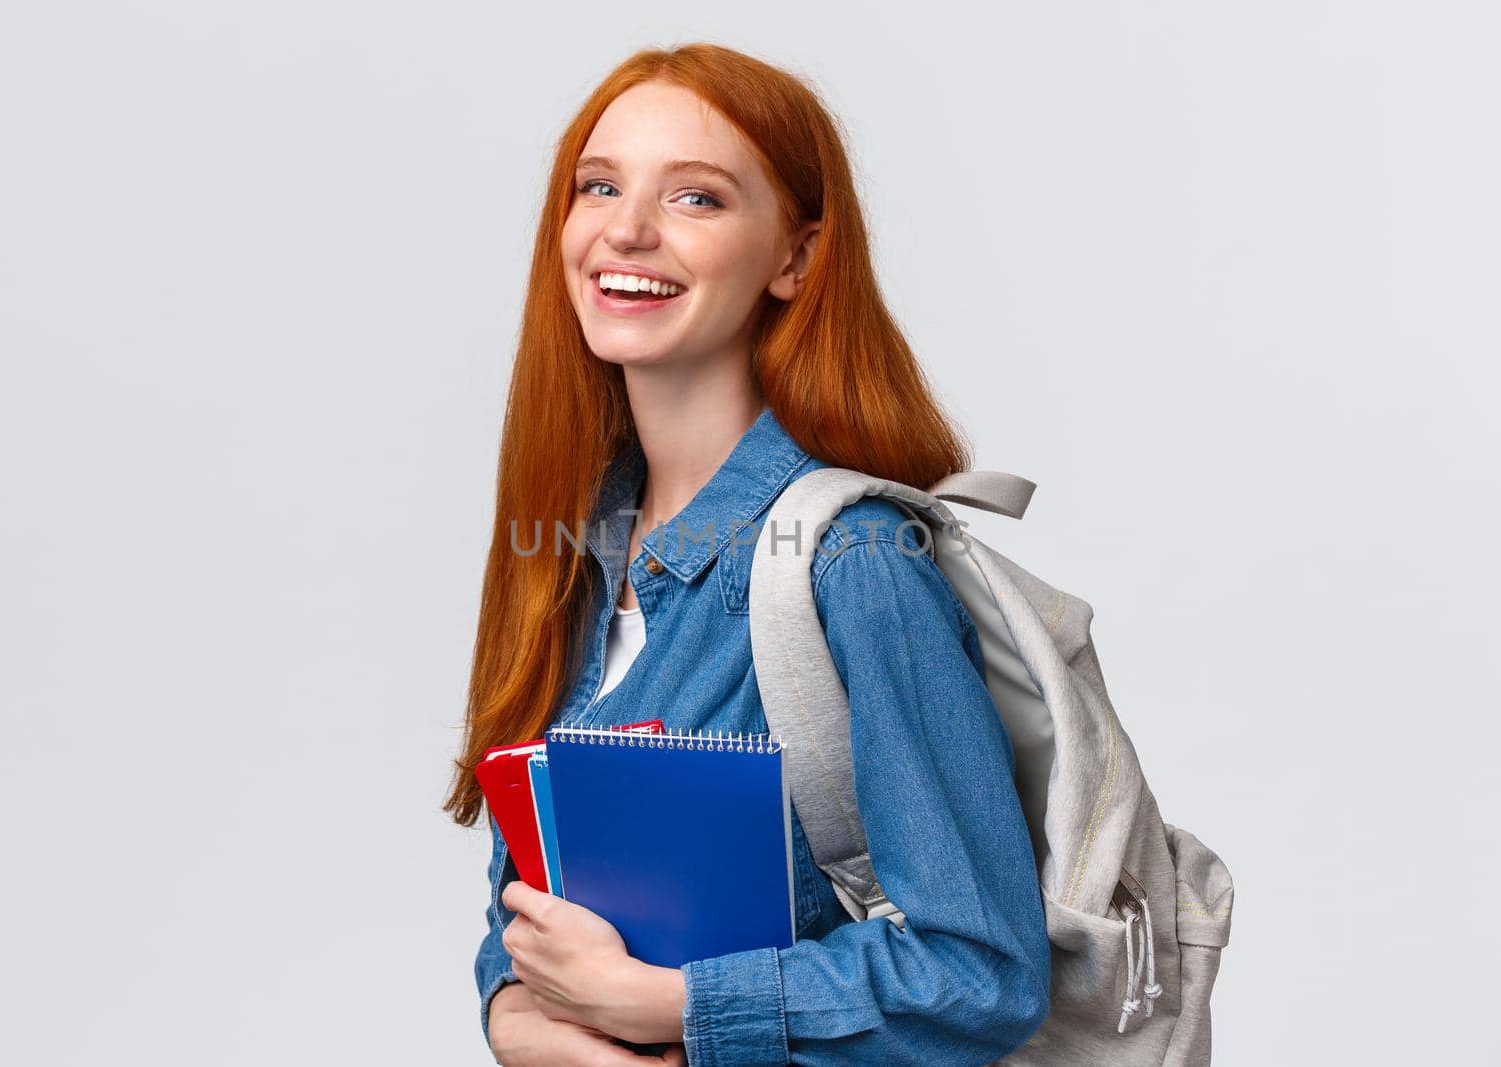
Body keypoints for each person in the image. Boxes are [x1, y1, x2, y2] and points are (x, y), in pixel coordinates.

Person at [443, 42, 1051, 1067]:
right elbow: (533, 917)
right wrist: (512, 1009)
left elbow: (980, 968)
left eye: (696, 198)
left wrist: (674, 1002)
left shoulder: (855, 561)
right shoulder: (577, 552)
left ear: (795, 259)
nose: (625, 229)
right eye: (599, 186)